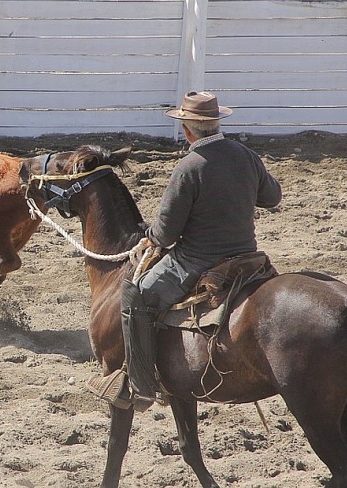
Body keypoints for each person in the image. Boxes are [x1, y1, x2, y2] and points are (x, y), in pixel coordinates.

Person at [97, 91, 282, 412]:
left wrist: (149, 239)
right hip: (247, 259)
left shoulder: (189, 167)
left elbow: (166, 232)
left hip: (196, 262)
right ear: (217, 122)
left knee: (135, 293)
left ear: (187, 129)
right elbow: (272, 197)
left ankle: (140, 385)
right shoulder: (245, 155)